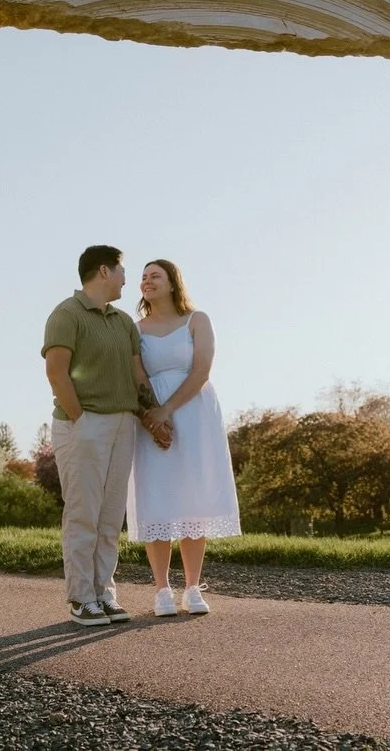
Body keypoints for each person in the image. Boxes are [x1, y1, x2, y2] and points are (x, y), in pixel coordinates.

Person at [42, 245, 171, 627]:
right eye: (122, 271)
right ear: (103, 271)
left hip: (123, 424)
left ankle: (104, 594)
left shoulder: (122, 322)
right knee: (84, 513)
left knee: (111, 515)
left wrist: (153, 417)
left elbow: (137, 376)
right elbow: (56, 373)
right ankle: (82, 598)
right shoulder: (66, 314)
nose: (127, 279)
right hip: (82, 424)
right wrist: (81, 419)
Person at [127, 259, 242, 616]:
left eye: (154, 276)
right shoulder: (136, 328)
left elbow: (202, 369)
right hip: (150, 413)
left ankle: (192, 587)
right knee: (157, 495)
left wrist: (169, 409)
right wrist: (153, 416)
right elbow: (137, 374)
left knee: (193, 495)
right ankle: (161, 589)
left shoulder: (197, 320)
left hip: (194, 411)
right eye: (143, 277)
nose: (147, 281)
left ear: (173, 283)